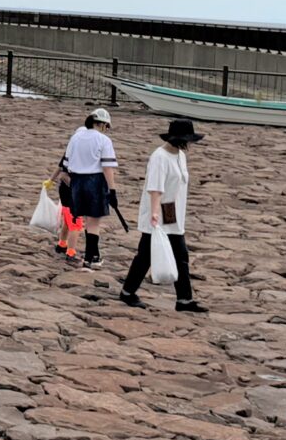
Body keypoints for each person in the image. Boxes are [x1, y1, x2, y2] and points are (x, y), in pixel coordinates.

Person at [120, 118, 207, 312]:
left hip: (173, 214)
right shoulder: (159, 157)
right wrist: (154, 213)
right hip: (159, 213)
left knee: (180, 255)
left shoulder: (180, 156)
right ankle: (127, 292)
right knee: (145, 256)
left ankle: (184, 300)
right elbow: (155, 187)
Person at [62, 107, 118, 268]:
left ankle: (92, 255)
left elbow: (66, 163)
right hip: (95, 180)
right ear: (102, 124)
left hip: (77, 181)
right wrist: (112, 190)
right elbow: (107, 167)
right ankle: (90, 258)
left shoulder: (76, 137)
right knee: (94, 223)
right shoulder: (103, 140)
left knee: (86, 220)